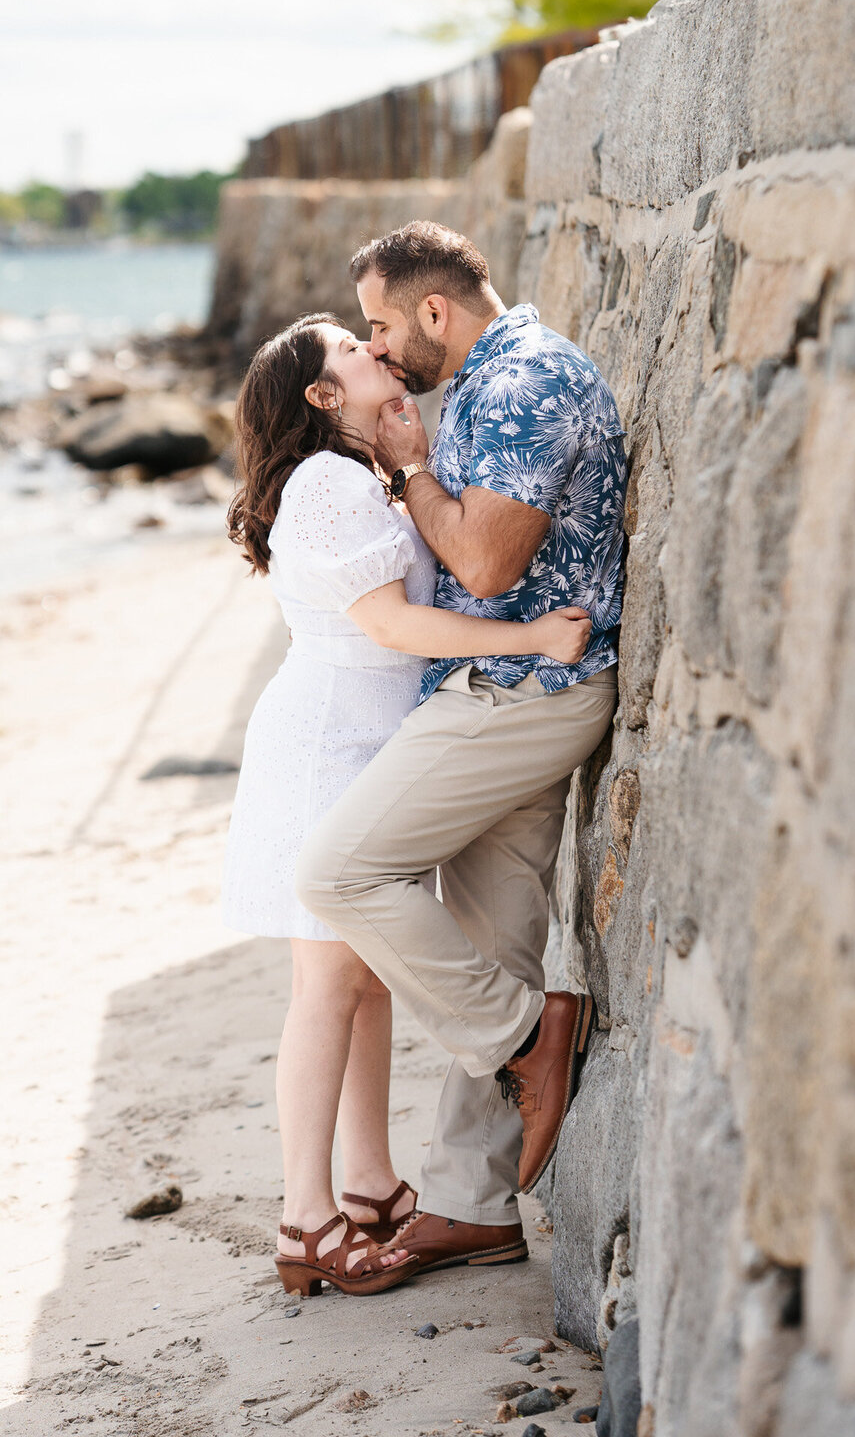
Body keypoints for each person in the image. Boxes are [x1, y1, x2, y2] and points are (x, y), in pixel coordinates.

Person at [221, 312, 594, 1298]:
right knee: (326, 989)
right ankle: (306, 1217)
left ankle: (372, 1184)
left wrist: (406, 462)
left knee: (369, 982)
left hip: (366, 741)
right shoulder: (328, 481)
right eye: (353, 350)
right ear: (321, 397)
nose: (377, 351)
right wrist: (531, 642)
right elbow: (390, 625)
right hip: (327, 749)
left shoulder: (361, 476)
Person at [296, 222, 626, 1277]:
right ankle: (473, 1206)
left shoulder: (525, 384)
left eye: (383, 326)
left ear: (435, 310)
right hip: (507, 683)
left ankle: (530, 1038)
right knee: (492, 939)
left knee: (339, 871)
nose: (378, 349)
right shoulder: (485, 383)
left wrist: (406, 474)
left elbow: (484, 564)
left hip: (526, 690)